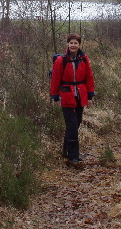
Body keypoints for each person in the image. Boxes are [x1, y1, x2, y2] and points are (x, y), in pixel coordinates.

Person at [50, 33, 95, 165]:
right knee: (72, 127)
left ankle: (66, 151)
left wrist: (90, 96)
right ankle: (73, 156)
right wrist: (55, 97)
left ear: (79, 45)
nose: (73, 45)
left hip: (80, 96)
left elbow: (89, 78)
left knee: (77, 123)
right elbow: (55, 79)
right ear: (68, 45)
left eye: (75, 43)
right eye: (71, 43)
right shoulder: (61, 60)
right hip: (66, 96)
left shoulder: (84, 59)